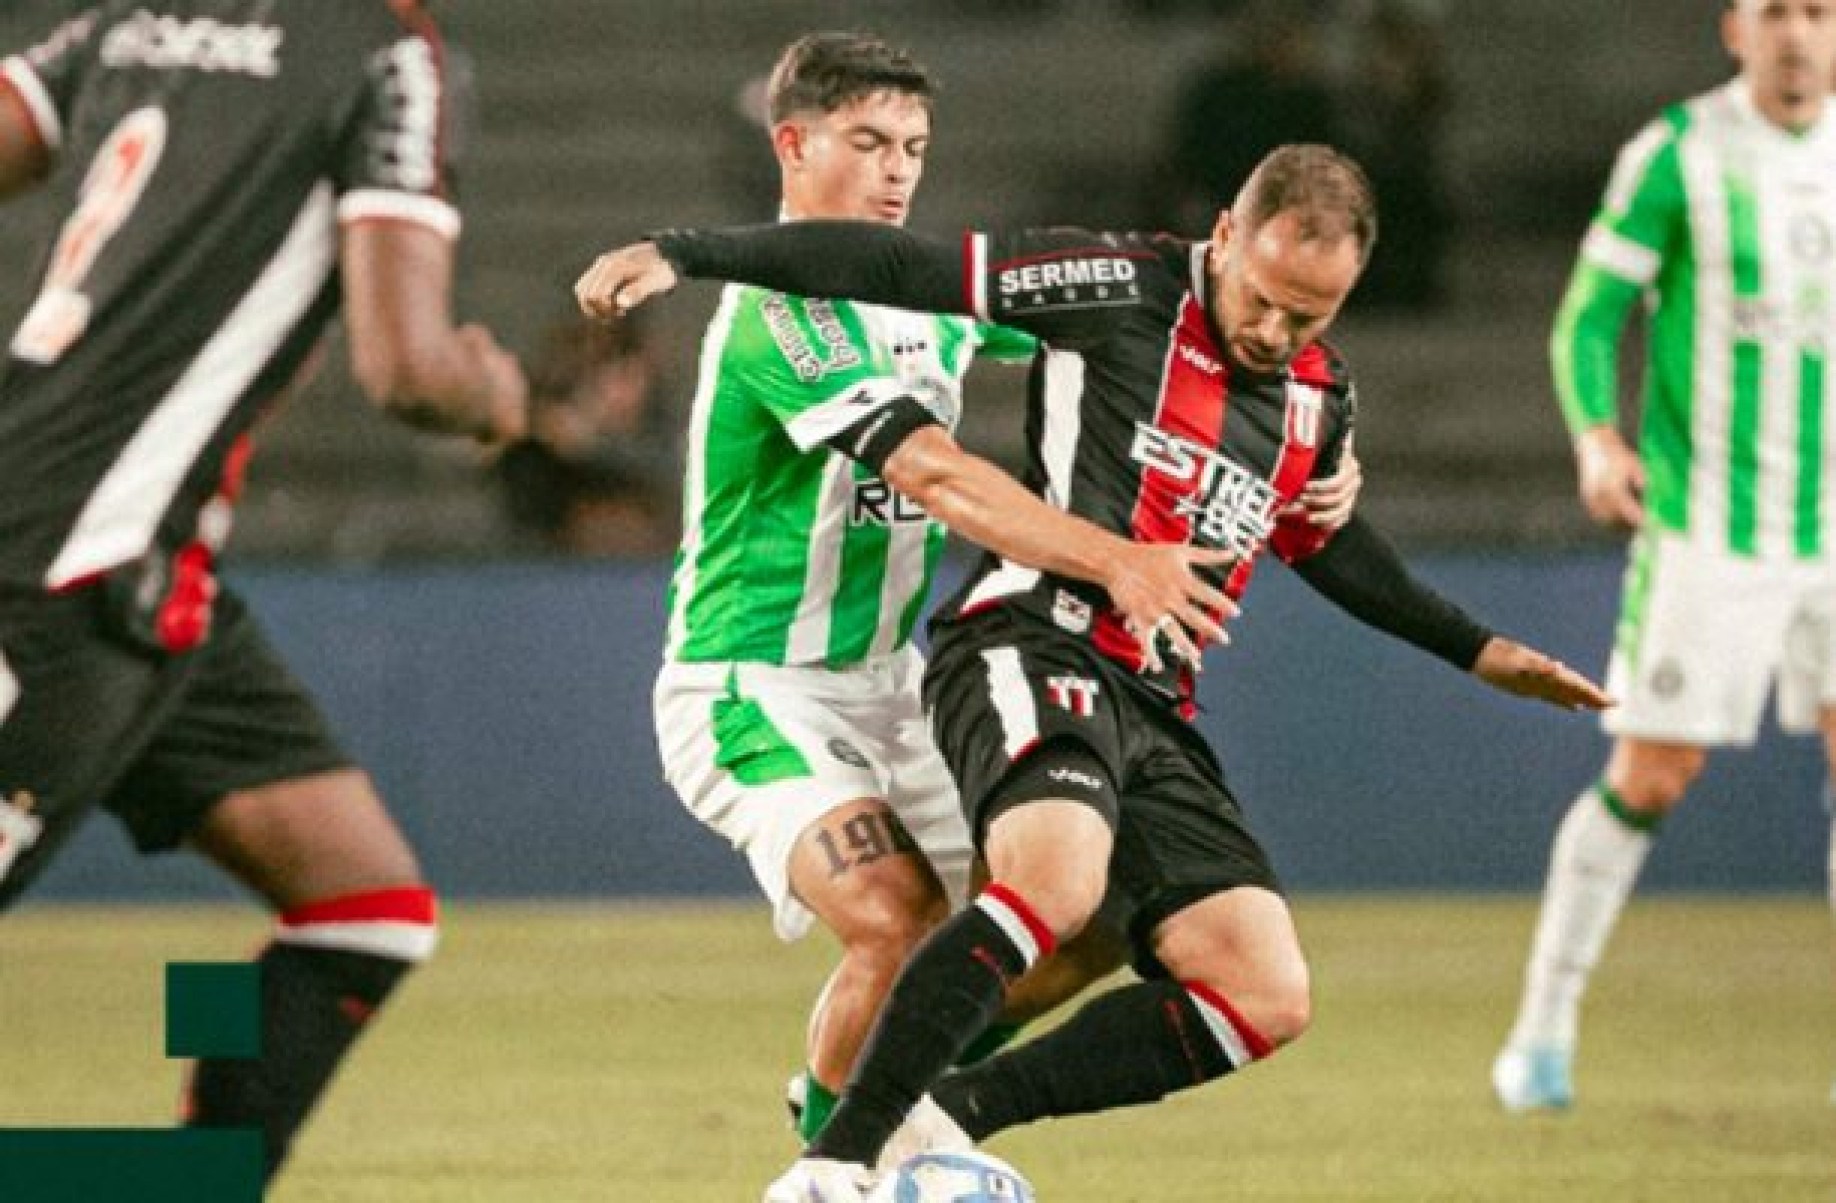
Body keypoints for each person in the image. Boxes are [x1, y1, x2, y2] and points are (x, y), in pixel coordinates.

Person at [577, 143, 1612, 1203]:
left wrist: (1481, 650)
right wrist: (688, 252)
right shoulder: (1113, 284)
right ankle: (831, 1165)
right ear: (1224, 236)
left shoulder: (1315, 397)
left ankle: (944, 1122)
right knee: (1055, 882)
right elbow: (903, 269)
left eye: (1314, 314)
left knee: (1260, 986)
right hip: (1035, 641)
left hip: (1156, 699)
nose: (1277, 332)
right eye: (1264, 299)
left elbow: (1322, 543)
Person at [582, 31, 1364, 1157]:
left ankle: (899, 1117)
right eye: (868, 141)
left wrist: (1330, 432)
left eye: (914, 145)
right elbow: (937, 477)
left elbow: (1145, 312)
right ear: (792, 145)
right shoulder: (782, 315)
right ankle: (837, 1158)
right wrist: (1114, 558)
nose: (898, 169)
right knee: (896, 914)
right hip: (754, 691)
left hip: (896, 688)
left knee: (1080, 918)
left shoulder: (930, 299)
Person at [0, 0, 527, 1182]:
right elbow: (406, 366)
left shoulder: (125, 23)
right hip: (55, 574)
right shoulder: (387, 52)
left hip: (148, 575)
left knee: (360, 903)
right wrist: (495, 395)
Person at [1492, 0, 1836, 1112]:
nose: (1798, 34)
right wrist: (1598, 438)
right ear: (1736, 27)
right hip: (1708, 528)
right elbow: (1589, 315)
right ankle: (1541, 1034)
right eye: (1777, 11)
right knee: (1652, 775)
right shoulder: (1678, 152)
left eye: (1819, 12)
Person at [496, 314, 677, 557]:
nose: (614, 390)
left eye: (625, 373)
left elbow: (664, 467)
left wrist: (589, 444)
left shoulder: (669, 434)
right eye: (601, 373)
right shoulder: (537, 453)